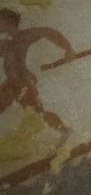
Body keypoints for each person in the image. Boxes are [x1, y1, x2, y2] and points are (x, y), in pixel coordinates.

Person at [0, 8, 76, 140]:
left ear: (8, 21)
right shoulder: (6, 44)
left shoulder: (23, 36)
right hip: (11, 83)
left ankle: (64, 130)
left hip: (23, 82)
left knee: (37, 113)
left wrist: (68, 48)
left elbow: (48, 32)